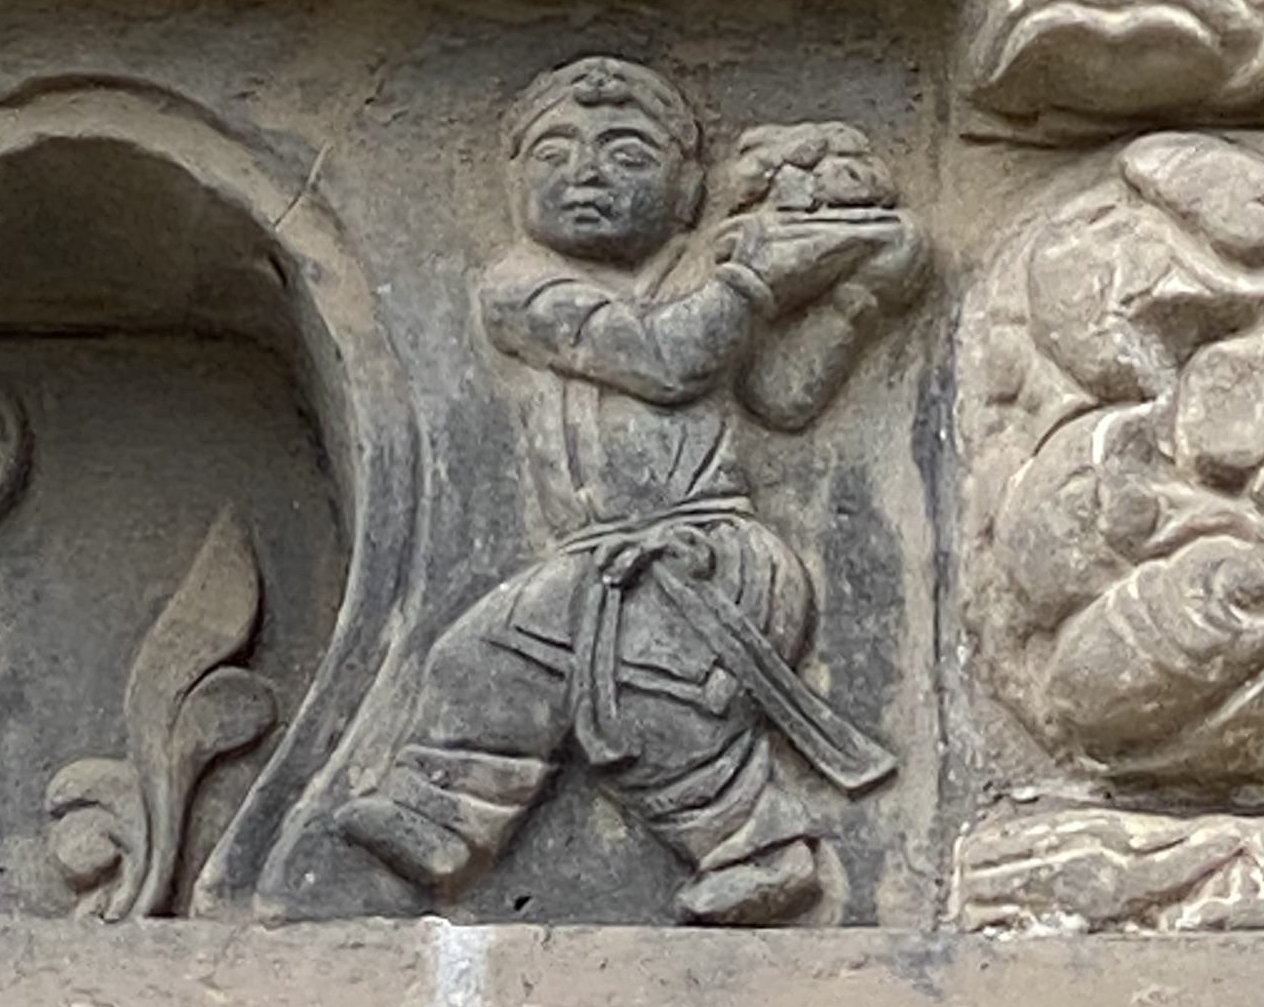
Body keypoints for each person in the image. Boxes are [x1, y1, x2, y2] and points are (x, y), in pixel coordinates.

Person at [337, 56, 923, 924]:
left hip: (705, 557)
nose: (588, 175)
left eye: (628, 156)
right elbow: (661, 360)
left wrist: (858, 298)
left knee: (661, 706)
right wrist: (755, 281)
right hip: (602, 563)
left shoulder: (704, 280)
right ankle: (441, 822)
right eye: (555, 154)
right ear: (514, 185)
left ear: (688, 192)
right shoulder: (520, 286)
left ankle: (762, 852)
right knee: (476, 660)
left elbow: (782, 398)